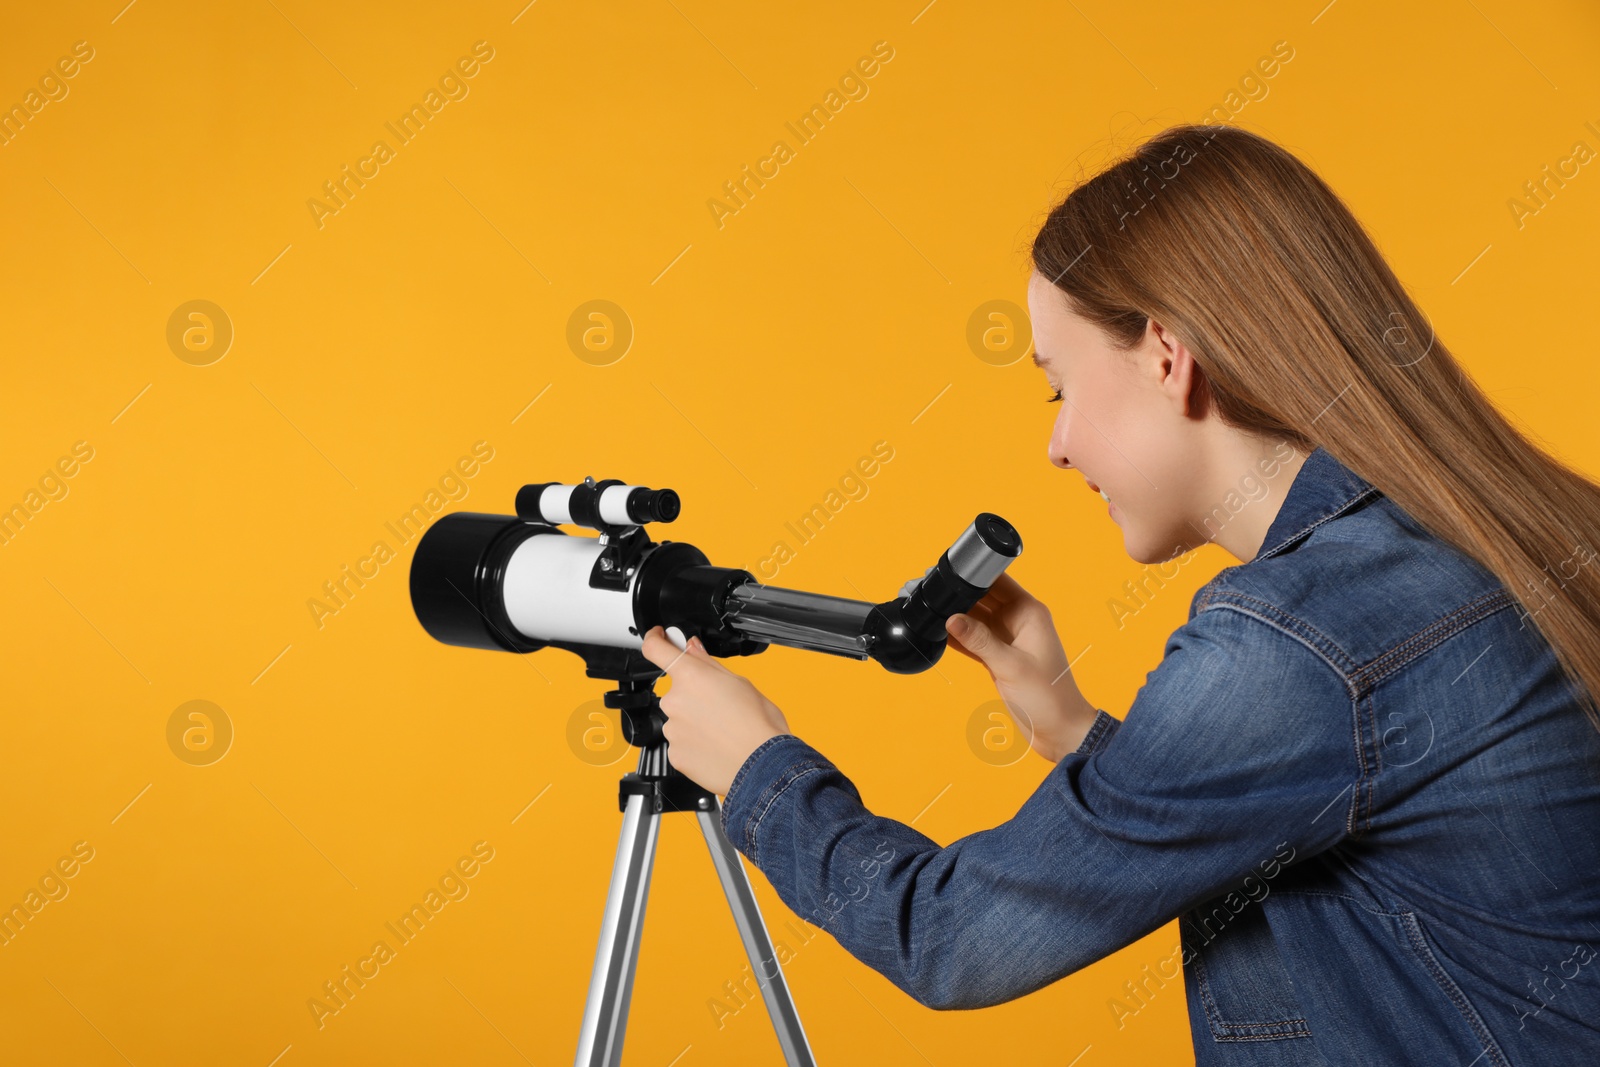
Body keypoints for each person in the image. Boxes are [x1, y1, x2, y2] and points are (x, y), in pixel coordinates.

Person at [639, 123, 1600, 1066]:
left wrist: (757, 768)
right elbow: (1336, 845)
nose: (1056, 444)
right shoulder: (1484, 541)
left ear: (1166, 355)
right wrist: (1075, 731)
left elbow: (951, 938)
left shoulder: (1296, 642)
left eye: (1057, 386)